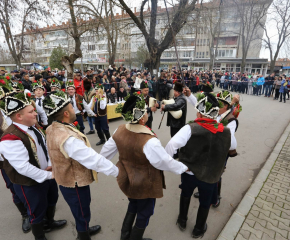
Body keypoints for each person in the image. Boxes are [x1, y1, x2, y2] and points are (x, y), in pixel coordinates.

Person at [102, 94, 188, 240]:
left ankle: (125, 235)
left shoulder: (119, 130)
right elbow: (164, 162)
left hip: (128, 179)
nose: (148, 113)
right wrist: (184, 168)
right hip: (145, 183)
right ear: (142, 118)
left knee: (133, 204)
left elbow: (104, 154)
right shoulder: (149, 141)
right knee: (145, 212)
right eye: (146, 111)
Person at [43, 91, 118, 240]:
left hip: (67, 179)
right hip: (74, 181)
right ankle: (83, 236)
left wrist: (53, 163)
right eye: (72, 107)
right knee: (82, 209)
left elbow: (53, 149)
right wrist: (118, 172)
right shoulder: (67, 138)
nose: (75, 109)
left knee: (80, 210)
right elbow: (92, 159)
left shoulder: (52, 127)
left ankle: (83, 229)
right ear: (65, 113)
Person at [0, 90, 67, 240]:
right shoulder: (10, 138)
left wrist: (50, 164)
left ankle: (49, 223)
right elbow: (23, 167)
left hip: (46, 173)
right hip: (29, 182)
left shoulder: (32, 126)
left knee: (51, 200)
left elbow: (44, 146)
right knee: (36, 210)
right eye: (31, 112)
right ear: (19, 116)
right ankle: (40, 236)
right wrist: (50, 174)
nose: (36, 113)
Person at [165, 92, 231, 238]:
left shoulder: (190, 128)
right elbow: (232, 149)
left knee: (186, 194)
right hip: (211, 175)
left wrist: (170, 165)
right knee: (205, 202)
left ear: (200, 114)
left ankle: (182, 220)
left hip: (189, 171)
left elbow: (170, 146)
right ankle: (199, 229)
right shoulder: (225, 131)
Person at [161, 82, 187, 159]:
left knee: (175, 138)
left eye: (174, 91)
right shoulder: (179, 98)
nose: (173, 92)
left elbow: (176, 106)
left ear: (177, 92)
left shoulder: (181, 99)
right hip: (175, 122)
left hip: (178, 123)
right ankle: (176, 153)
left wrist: (165, 107)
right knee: (174, 138)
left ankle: (176, 154)